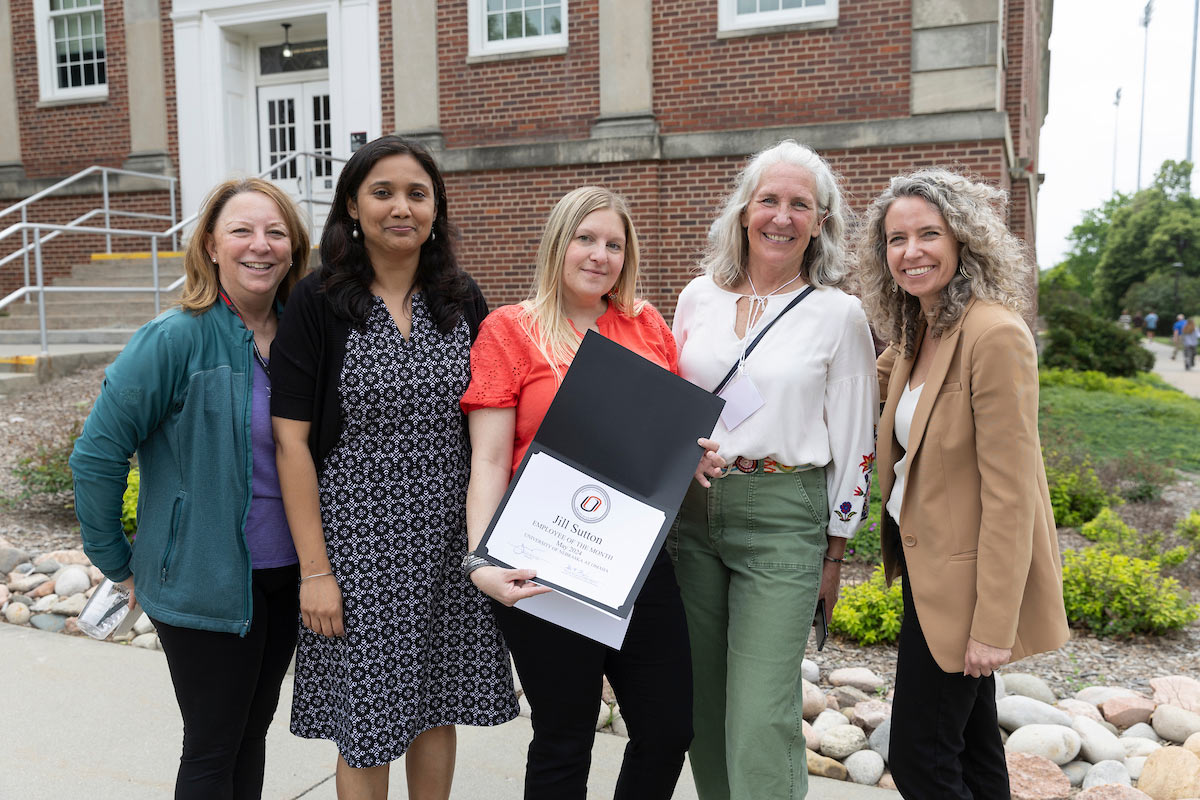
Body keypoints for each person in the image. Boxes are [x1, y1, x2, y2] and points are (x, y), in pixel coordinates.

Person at [270, 136, 516, 800]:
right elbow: (290, 443)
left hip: (449, 540)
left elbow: (496, 420)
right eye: (382, 192)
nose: (400, 207)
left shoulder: (462, 299)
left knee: (435, 704)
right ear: (353, 204)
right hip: (359, 546)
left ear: (436, 208)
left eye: (417, 193)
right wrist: (315, 572)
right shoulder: (318, 302)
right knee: (368, 719)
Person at [462, 186, 718, 800]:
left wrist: (692, 452)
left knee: (667, 728)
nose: (599, 255)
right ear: (559, 242)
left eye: (613, 244)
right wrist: (480, 562)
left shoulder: (645, 324)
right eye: (586, 238)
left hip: (631, 561)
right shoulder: (511, 330)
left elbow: (660, 435)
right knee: (564, 735)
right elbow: (490, 459)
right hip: (542, 558)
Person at [70, 177, 311, 799]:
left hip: (286, 577)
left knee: (250, 734)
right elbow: (96, 457)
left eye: (275, 232)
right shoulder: (174, 338)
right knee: (211, 744)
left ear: (293, 248)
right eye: (241, 231)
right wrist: (118, 562)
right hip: (203, 582)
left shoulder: (300, 339)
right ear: (210, 246)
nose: (260, 246)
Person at [670, 140, 877, 800]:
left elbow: (855, 440)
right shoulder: (697, 298)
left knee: (762, 713)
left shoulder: (838, 314)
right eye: (769, 200)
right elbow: (672, 403)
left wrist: (834, 555)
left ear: (820, 222)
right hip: (693, 516)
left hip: (785, 519)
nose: (781, 216)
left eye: (799, 204)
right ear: (743, 212)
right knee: (703, 707)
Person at [856, 168, 1070, 798]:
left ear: (963, 240)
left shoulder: (995, 334)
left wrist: (992, 626)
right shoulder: (919, 331)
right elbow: (863, 392)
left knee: (922, 758)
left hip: (967, 590)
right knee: (974, 752)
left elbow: (1014, 493)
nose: (911, 251)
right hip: (930, 574)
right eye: (896, 239)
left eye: (928, 234)